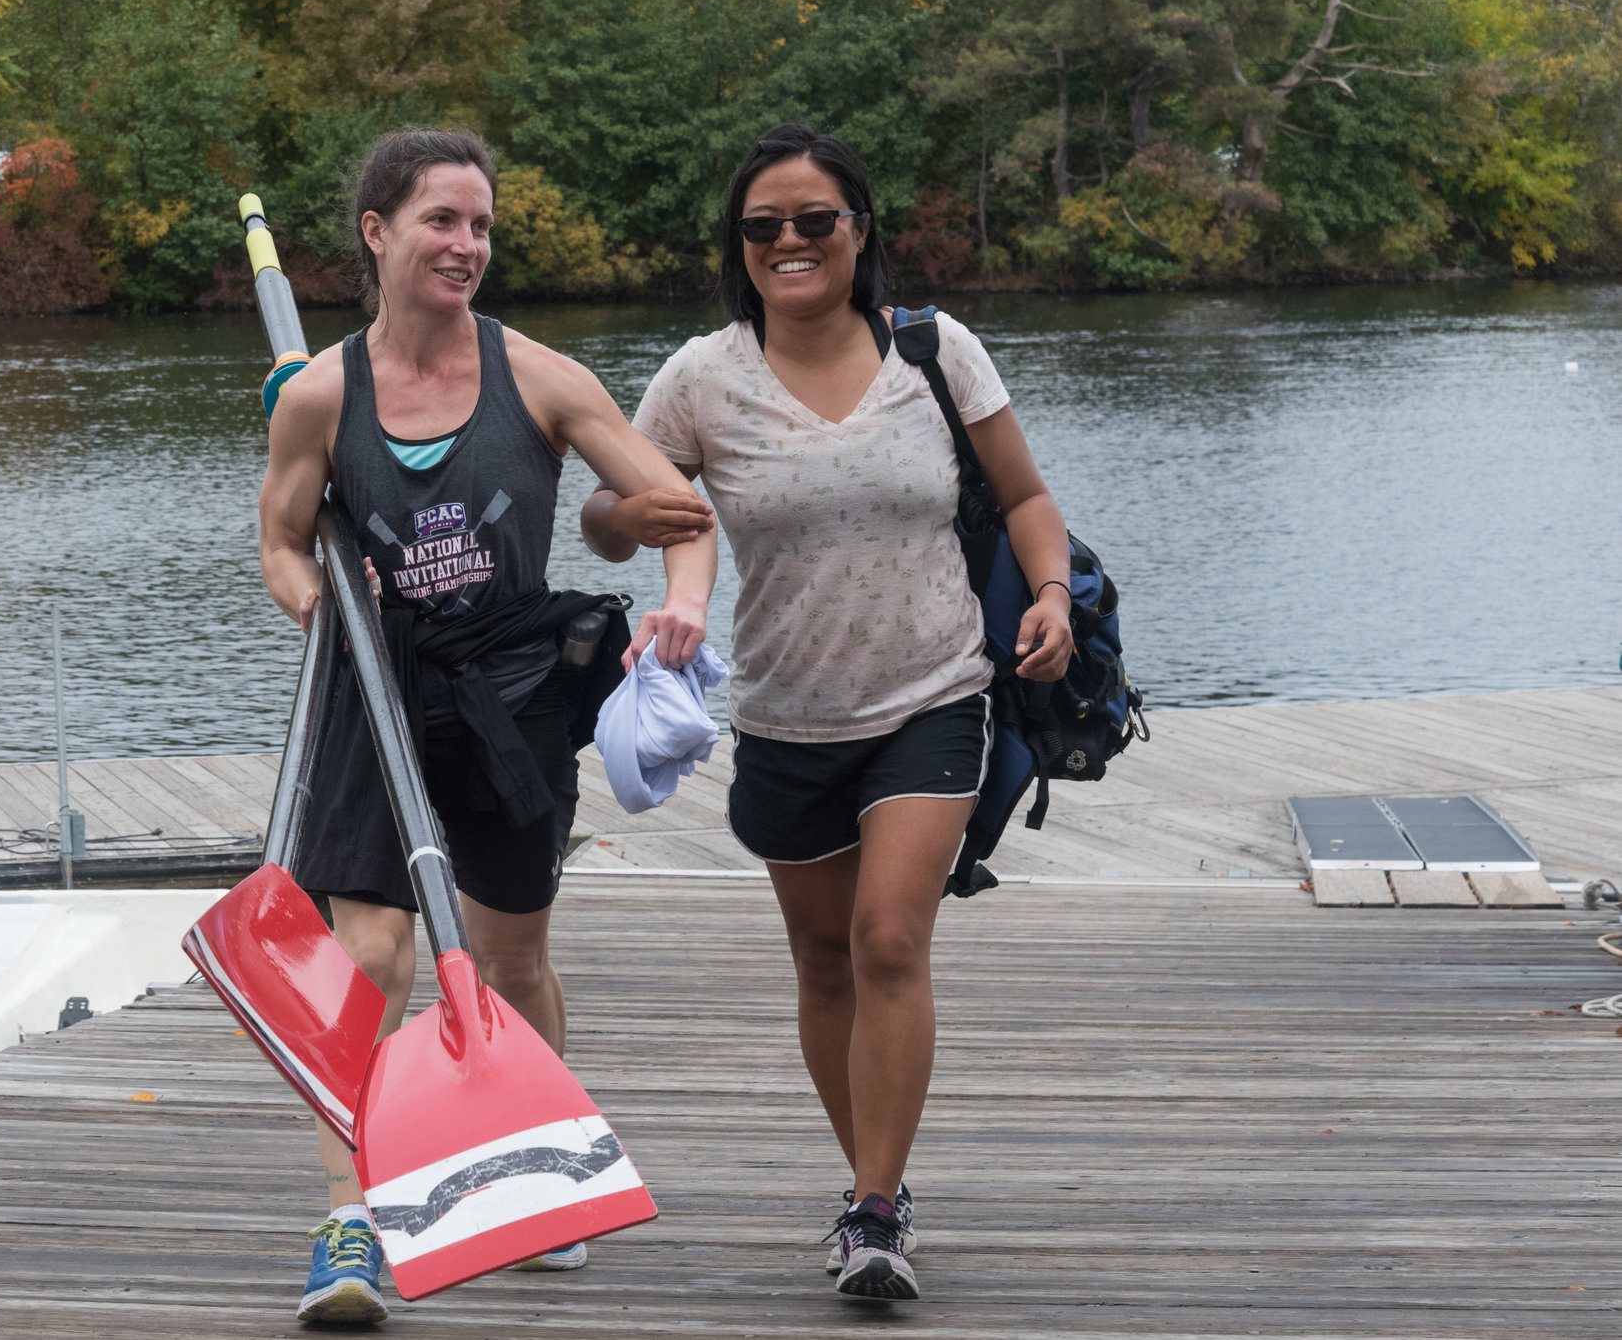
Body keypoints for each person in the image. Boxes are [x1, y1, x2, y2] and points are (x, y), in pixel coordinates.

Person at [582, 122, 1073, 1303]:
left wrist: (1050, 589)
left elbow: (1024, 493)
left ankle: (873, 1207)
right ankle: (870, 1183)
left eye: (815, 220)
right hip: (786, 711)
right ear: (737, 246)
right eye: (764, 226)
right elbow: (615, 507)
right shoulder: (702, 376)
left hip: (935, 691)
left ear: (860, 230)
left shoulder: (934, 350)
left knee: (888, 938)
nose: (790, 241)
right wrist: (624, 526)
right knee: (820, 958)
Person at [258, 128, 717, 1325]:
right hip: (375, 692)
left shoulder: (545, 379)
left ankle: (535, 1177)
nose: (467, 246)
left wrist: (682, 603)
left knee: (509, 958)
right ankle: (349, 1222)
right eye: (441, 222)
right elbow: (278, 543)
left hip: (511, 694)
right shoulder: (318, 396)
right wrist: (324, 616)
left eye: (481, 225)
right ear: (377, 232)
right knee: (367, 957)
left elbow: (678, 509)